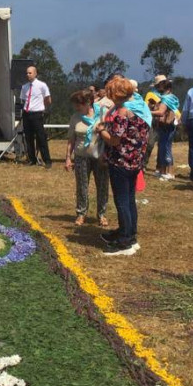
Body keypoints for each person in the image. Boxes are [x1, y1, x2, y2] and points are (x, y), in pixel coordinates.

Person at [96, 77, 149, 256]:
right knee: (129, 199)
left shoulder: (120, 114)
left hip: (121, 162)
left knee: (122, 201)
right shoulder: (137, 110)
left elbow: (114, 140)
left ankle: (125, 241)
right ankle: (129, 233)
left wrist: (101, 130)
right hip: (134, 161)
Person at [64, 90, 108, 228]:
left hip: (100, 156)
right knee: (82, 186)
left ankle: (101, 214)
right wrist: (68, 158)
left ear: (88, 102)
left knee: (102, 186)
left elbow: (110, 135)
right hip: (81, 156)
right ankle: (81, 213)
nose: (76, 108)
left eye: (79, 104)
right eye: (75, 105)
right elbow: (71, 139)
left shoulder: (103, 114)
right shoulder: (75, 118)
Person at [19, 65, 52, 168]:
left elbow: (48, 99)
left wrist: (41, 107)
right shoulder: (24, 87)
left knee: (41, 137)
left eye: (30, 73)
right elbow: (24, 99)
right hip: (27, 113)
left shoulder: (42, 85)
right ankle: (31, 159)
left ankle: (47, 160)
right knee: (28, 138)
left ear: (35, 73)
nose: (28, 75)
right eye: (27, 73)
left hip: (37, 113)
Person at [149, 78, 180, 180]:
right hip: (170, 125)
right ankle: (162, 170)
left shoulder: (166, 99)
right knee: (162, 146)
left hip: (166, 126)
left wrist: (148, 111)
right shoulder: (173, 98)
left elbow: (161, 112)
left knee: (165, 147)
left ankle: (170, 172)